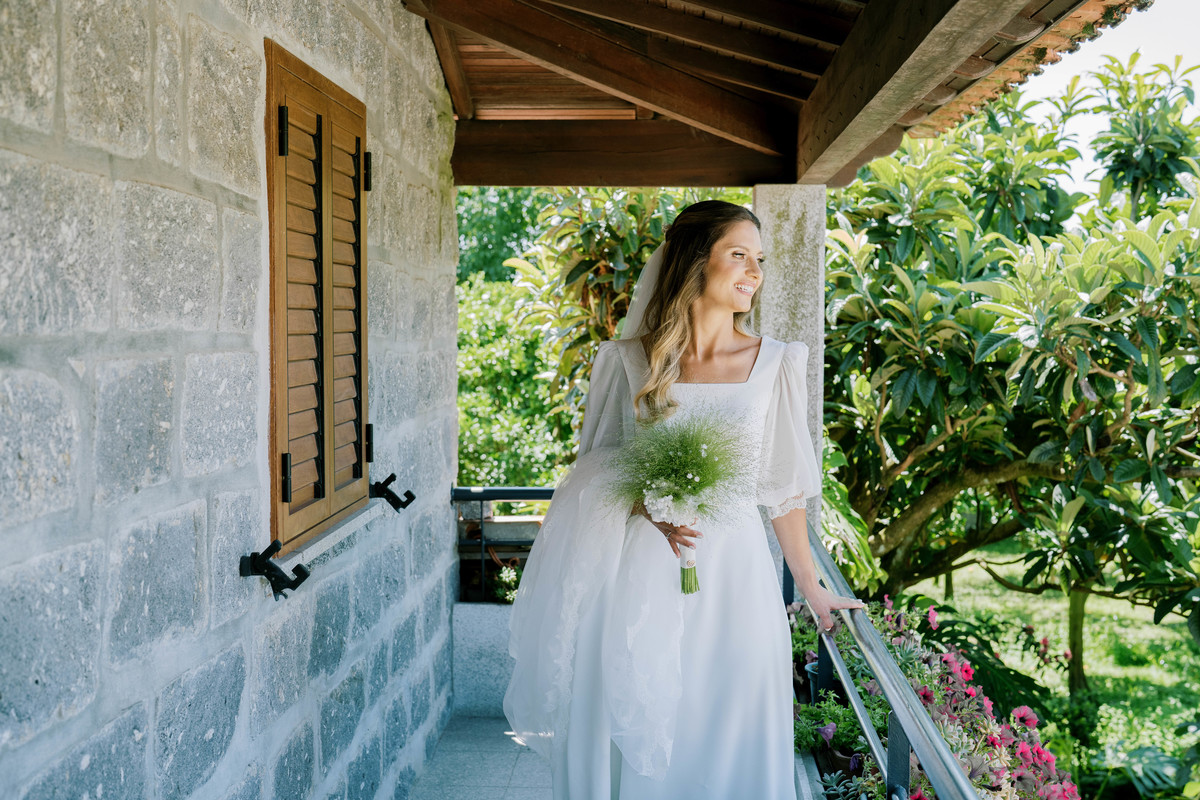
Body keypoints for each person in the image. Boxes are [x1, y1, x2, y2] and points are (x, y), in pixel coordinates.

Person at [503, 200, 864, 799]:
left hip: (735, 585)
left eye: (760, 260)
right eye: (738, 255)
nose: (754, 272)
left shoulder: (776, 363)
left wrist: (811, 585)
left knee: (723, 730)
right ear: (696, 263)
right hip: (633, 581)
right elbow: (593, 469)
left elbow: (782, 488)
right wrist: (646, 503)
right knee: (634, 731)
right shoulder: (626, 362)